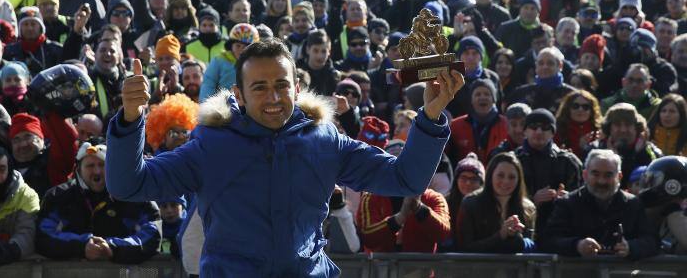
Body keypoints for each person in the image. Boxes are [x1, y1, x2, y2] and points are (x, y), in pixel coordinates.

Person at [107, 39, 464, 276]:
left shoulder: (324, 140)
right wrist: (129, 119)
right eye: (259, 88)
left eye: (281, 85)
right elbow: (128, 183)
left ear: (296, 87)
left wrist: (430, 119)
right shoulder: (210, 146)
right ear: (239, 96)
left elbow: (405, 180)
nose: (273, 97)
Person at [36, 142, 161, 263]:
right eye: (90, 166)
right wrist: (82, 246)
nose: (97, 171)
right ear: (78, 170)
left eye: (102, 165)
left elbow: (153, 235)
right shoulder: (58, 196)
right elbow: (43, 237)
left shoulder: (135, 195)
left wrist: (113, 248)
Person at [541, 149, 660, 260]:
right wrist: (577, 245)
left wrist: (630, 247)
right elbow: (548, 240)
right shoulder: (567, 203)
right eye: (596, 174)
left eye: (608, 175)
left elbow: (652, 241)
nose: (601, 181)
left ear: (619, 177)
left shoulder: (633, 204)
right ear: (585, 175)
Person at [357, 139, 451, 253]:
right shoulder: (371, 197)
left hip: (421, 269)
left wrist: (419, 208)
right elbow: (368, 238)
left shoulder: (433, 198)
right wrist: (399, 218)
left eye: (404, 164)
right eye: (391, 164)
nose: (398, 170)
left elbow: (443, 235)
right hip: (381, 269)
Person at [514, 108, 582, 234]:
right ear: (525, 132)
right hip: (521, 228)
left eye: (545, 128)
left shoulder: (569, 162)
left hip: (560, 228)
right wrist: (530, 201)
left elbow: (584, 198)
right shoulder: (513, 161)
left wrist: (568, 199)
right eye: (533, 127)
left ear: (553, 133)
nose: (539, 132)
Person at [455, 152, 536, 253]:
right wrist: (501, 235)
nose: (506, 181)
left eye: (512, 177)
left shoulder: (528, 208)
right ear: (490, 176)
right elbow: (465, 248)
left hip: (516, 268)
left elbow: (532, 246)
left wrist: (520, 240)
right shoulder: (470, 203)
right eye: (500, 175)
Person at [587, 103, 663, 188]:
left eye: (628, 125)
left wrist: (639, 154)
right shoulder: (595, 150)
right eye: (617, 125)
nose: (623, 130)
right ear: (609, 128)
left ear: (636, 127)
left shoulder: (651, 153)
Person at [448, 79, 507, 164]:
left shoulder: (506, 124)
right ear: (471, 100)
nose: (482, 97)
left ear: (494, 99)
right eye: (477, 94)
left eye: (487, 94)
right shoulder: (455, 126)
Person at [638, 156, 687, 254]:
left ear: (672, 185)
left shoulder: (679, 217)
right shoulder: (648, 213)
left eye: (653, 180)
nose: (648, 184)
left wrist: (674, 213)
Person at [199, 23, 258, 101]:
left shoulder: (258, 65)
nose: (241, 50)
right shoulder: (219, 61)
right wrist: (206, 106)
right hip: (224, 106)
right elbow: (208, 84)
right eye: (238, 46)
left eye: (246, 47)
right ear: (231, 46)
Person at [445, 153, 485, 242]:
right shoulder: (445, 203)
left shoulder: (487, 205)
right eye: (463, 178)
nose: (468, 183)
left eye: (473, 179)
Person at [555, 90, 602, 159]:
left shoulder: (599, 130)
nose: (580, 110)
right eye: (575, 106)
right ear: (568, 109)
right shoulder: (558, 129)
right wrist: (578, 147)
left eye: (585, 107)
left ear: (592, 110)